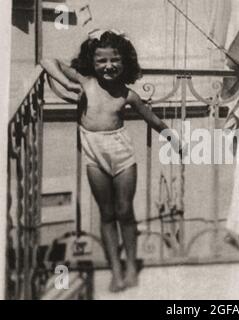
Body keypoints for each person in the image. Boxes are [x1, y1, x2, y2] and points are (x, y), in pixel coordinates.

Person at [41, 29, 181, 292]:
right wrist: (68, 83)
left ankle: (130, 267)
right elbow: (47, 60)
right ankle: (116, 270)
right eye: (101, 61)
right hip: (95, 156)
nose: (108, 66)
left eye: (114, 60)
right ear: (92, 63)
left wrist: (173, 139)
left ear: (125, 62)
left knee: (124, 211)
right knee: (107, 214)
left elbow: (152, 119)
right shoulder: (85, 81)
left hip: (122, 156)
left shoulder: (127, 95)